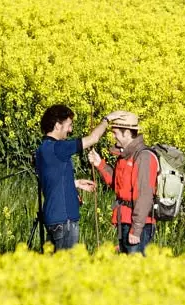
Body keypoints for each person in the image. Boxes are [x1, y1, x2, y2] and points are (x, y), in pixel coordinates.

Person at [34, 104, 108, 251]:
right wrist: (106, 120)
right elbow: (93, 139)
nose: (70, 130)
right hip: (64, 220)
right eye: (69, 125)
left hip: (52, 218)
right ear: (57, 125)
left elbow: (51, 180)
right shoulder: (59, 148)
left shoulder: (42, 150)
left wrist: (75, 183)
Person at [87, 110, 158, 255]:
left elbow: (144, 196)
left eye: (116, 133)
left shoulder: (143, 156)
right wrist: (100, 164)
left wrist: (136, 230)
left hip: (138, 225)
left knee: (135, 272)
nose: (113, 136)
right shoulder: (124, 155)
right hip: (124, 220)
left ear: (126, 133)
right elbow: (118, 186)